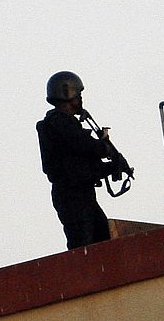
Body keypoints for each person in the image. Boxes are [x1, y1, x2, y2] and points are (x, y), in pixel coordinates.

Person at [36, 71, 113, 249]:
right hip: (72, 194)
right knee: (82, 245)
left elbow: (82, 162)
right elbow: (85, 146)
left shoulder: (65, 124)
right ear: (68, 94)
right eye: (78, 95)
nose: (80, 99)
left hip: (82, 193)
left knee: (102, 236)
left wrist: (110, 167)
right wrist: (104, 148)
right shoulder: (58, 122)